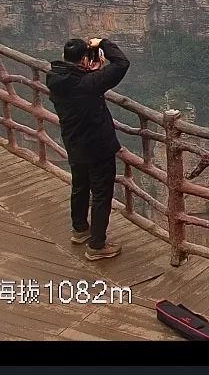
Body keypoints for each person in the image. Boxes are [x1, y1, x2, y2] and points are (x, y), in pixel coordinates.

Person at [45, 37, 130, 261]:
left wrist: (89, 72)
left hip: (74, 144)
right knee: (101, 195)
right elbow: (121, 63)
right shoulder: (89, 83)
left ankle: (80, 229)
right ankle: (96, 245)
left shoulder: (55, 78)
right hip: (98, 148)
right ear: (84, 59)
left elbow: (80, 86)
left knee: (80, 186)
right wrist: (103, 42)